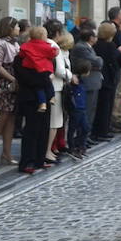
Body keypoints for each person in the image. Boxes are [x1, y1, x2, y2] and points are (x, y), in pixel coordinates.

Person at [0, 18, 19, 165]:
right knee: (1, 120)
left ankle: (6, 152)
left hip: (13, 84)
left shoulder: (15, 42)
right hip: (4, 85)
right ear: (10, 28)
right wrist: (12, 79)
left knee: (11, 120)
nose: (18, 28)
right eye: (16, 26)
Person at [92, 22, 121, 141]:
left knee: (99, 106)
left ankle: (97, 130)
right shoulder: (110, 45)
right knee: (106, 106)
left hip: (99, 78)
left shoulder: (96, 44)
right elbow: (115, 60)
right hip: (109, 79)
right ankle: (103, 130)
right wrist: (120, 52)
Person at [45, 31, 73, 163]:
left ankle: (50, 148)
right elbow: (60, 71)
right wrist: (70, 75)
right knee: (54, 121)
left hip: (55, 87)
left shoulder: (59, 50)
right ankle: (48, 150)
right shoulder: (54, 47)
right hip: (55, 87)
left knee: (56, 121)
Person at [70, 27, 103, 138]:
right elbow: (97, 61)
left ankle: (86, 136)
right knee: (86, 112)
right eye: (95, 36)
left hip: (93, 81)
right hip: (88, 82)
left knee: (91, 111)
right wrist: (99, 59)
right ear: (90, 38)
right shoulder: (81, 47)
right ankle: (81, 137)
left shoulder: (88, 47)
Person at [18, 27, 58, 114]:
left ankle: (42, 103)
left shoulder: (27, 45)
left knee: (39, 87)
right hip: (45, 68)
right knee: (48, 83)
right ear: (43, 36)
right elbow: (53, 53)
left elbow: (21, 54)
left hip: (32, 68)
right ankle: (52, 96)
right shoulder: (45, 46)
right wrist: (56, 51)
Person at [65, 59, 91, 160]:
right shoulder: (75, 81)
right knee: (73, 128)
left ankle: (81, 145)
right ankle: (72, 148)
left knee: (85, 128)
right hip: (76, 108)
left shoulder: (81, 80)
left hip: (82, 107)